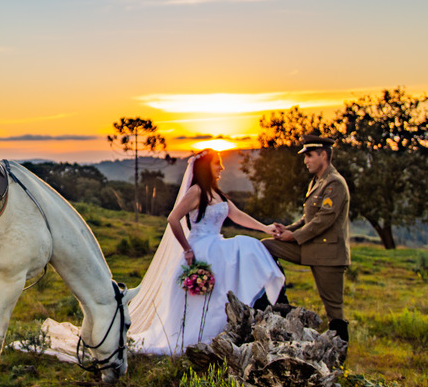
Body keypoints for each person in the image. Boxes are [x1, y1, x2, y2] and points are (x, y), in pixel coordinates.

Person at [124, 149, 285, 354]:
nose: (221, 168)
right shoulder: (196, 191)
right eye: (217, 163)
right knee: (211, 288)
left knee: (247, 247)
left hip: (216, 245)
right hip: (200, 248)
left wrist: (265, 228)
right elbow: (173, 218)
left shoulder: (216, 193)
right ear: (204, 167)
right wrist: (187, 249)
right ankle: (197, 336)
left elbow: (237, 215)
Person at [262, 134, 351, 344]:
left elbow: (323, 220)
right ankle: (279, 299)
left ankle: (340, 353)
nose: (305, 161)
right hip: (309, 248)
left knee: (334, 310)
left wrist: (293, 236)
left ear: (323, 155)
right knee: (266, 246)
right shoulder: (317, 181)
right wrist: (287, 230)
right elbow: (307, 218)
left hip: (328, 255)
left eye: (309, 156)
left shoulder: (335, 183)